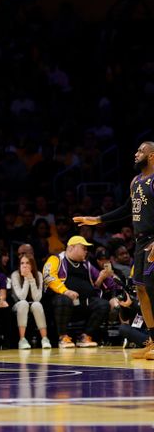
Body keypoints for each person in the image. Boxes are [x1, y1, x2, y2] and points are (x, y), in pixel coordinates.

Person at [74, 141, 154, 358]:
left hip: (153, 241)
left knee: (152, 289)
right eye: (136, 150)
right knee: (141, 290)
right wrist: (96, 219)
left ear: (152, 156)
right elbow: (126, 209)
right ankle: (152, 342)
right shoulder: (135, 182)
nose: (136, 154)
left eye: (141, 151)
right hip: (140, 242)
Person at [42, 236, 111, 348]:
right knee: (64, 300)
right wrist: (66, 291)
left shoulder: (86, 264)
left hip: (84, 302)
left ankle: (85, 336)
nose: (86, 251)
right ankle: (63, 337)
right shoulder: (56, 259)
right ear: (71, 248)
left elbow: (101, 280)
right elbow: (48, 276)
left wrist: (105, 278)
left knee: (103, 305)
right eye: (83, 248)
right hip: (61, 300)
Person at [10, 254, 50, 349]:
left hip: (33, 303)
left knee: (37, 304)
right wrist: (26, 279)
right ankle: (22, 339)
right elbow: (22, 297)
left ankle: (44, 338)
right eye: (22, 263)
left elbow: (37, 298)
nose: (24, 265)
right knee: (24, 303)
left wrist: (31, 279)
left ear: (32, 265)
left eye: (27, 263)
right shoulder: (15, 275)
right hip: (18, 304)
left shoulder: (39, 275)